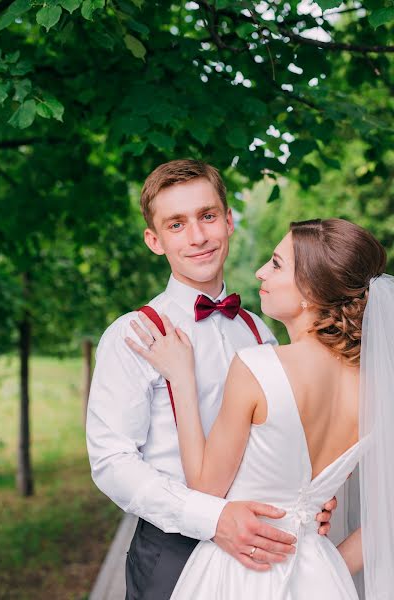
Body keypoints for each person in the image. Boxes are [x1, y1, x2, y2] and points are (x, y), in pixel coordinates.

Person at [86, 161, 336, 600]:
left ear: (228, 220)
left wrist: (308, 498)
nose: (198, 237)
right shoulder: (133, 334)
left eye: (207, 216)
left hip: (265, 553)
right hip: (173, 551)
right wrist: (211, 518)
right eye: (176, 224)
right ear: (154, 240)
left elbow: (284, 434)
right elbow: (112, 462)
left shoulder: (259, 329)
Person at [126, 218, 390, 599]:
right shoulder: (377, 388)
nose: (260, 271)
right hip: (319, 578)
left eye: (277, 264)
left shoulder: (258, 366)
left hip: (237, 574)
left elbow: (205, 488)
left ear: (311, 291)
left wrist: (182, 379)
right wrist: (329, 569)